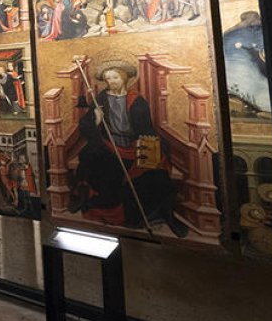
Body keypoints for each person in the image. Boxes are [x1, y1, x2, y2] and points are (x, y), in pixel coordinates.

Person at [70, 64, 189, 237]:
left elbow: (146, 129)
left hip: (134, 145)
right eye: (108, 78)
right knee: (92, 160)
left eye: (115, 77)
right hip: (109, 146)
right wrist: (96, 121)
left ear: (124, 78)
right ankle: (101, 205)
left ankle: (165, 213)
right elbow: (85, 125)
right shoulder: (101, 98)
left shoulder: (136, 101)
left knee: (157, 170)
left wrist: (145, 147)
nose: (111, 81)